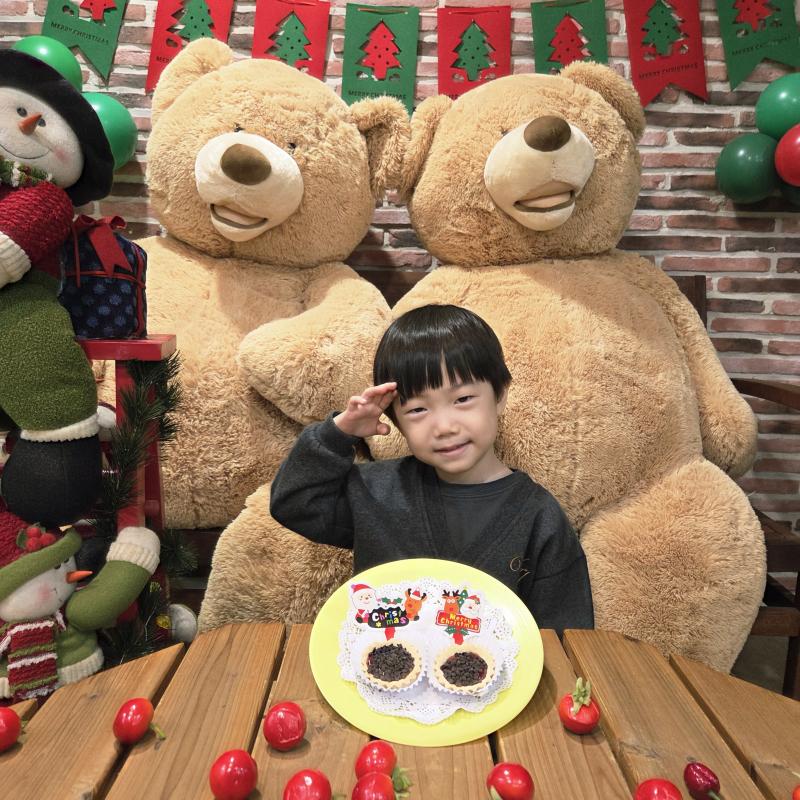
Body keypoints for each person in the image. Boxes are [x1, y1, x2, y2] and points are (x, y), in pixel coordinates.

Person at [270, 304, 594, 632]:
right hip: (380, 659)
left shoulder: (539, 518)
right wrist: (338, 434)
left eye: (463, 399)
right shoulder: (375, 492)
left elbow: (567, 635)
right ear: (395, 420)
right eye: (418, 409)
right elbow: (293, 503)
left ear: (499, 396)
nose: (444, 426)